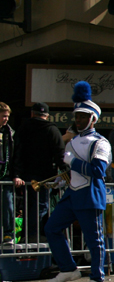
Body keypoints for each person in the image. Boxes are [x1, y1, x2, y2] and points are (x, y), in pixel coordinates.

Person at [45, 82, 109, 282]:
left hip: (90, 194)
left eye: (83, 116)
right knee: (52, 228)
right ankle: (68, 268)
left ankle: (98, 278)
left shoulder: (101, 142)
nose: (79, 119)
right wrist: (61, 180)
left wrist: (72, 163)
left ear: (93, 118)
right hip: (72, 194)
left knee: (94, 239)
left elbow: (98, 171)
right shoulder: (71, 143)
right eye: (77, 116)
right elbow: (73, 170)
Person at [11, 102, 64, 243]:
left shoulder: (23, 128)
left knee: (28, 206)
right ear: (47, 116)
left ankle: (26, 236)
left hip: (26, 176)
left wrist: (17, 173)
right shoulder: (52, 130)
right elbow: (60, 154)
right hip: (45, 177)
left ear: (32, 114)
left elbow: (16, 153)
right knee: (41, 206)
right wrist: (65, 172)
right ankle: (35, 235)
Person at [0, 103, 16, 243]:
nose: (6, 119)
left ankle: (8, 234)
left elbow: (14, 156)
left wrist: (16, 174)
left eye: (7, 116)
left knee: (7, 204)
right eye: (4, 116)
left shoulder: (9, 133)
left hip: (5, 174)